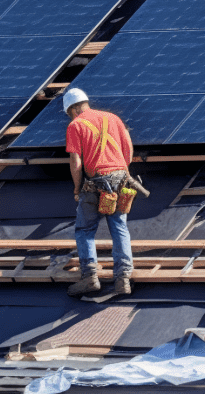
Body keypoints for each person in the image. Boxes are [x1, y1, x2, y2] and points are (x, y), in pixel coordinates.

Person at [63, 88, 134, 296]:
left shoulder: (75, 125)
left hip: (95, 183)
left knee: (84, 230)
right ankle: (123, 279)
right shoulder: (113, 118)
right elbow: (128, 149)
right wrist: (121, 172)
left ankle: (90, 277)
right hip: (120, 181)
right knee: (119, 227)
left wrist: (77, 188)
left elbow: (76, 161)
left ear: (74, 109)